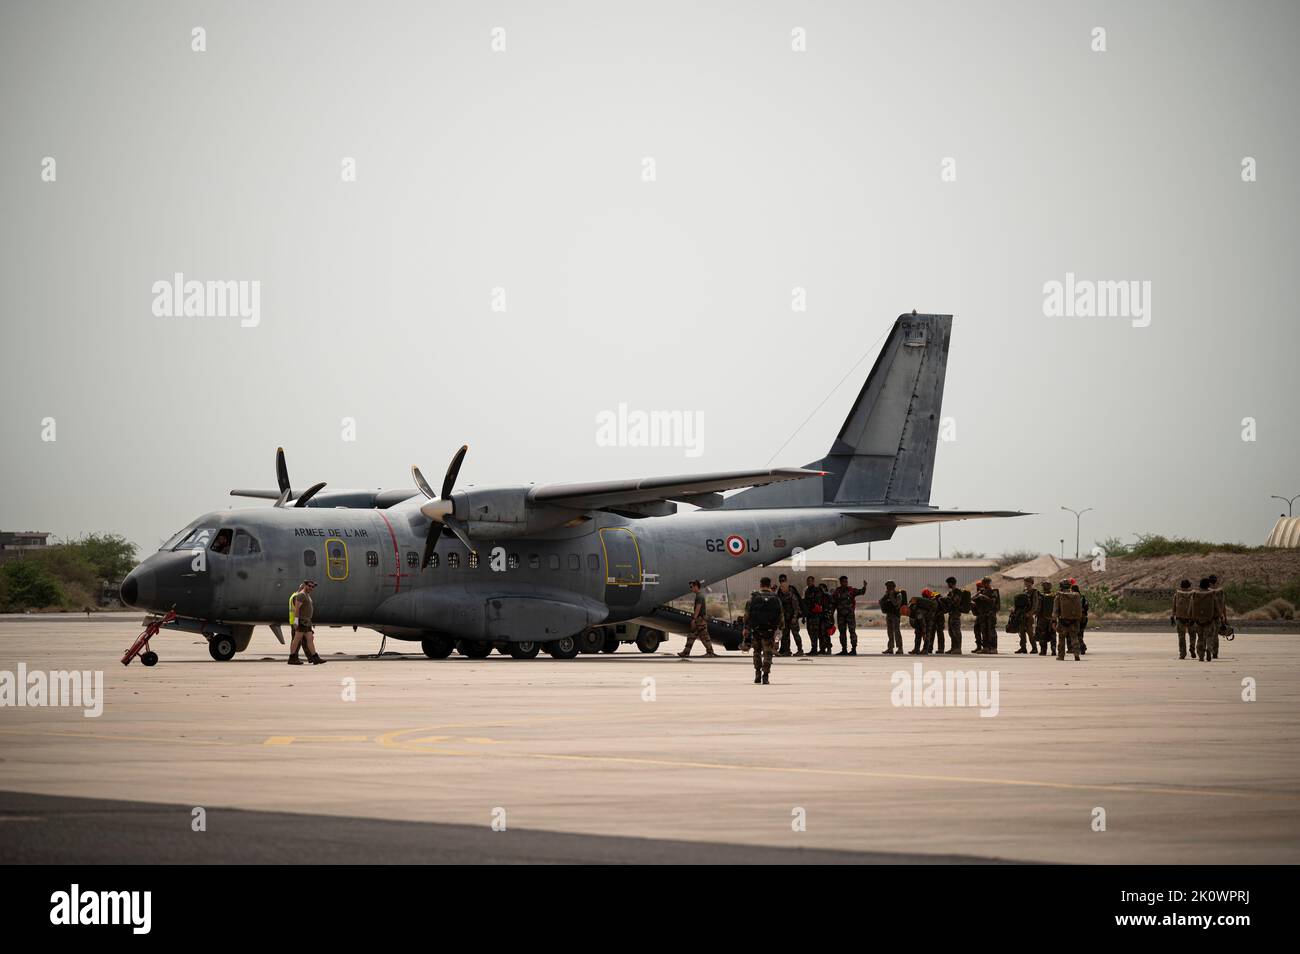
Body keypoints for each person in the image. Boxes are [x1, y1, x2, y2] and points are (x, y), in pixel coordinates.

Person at [743, 577, 784, 684]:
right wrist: (779, 629)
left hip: (756, 630)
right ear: (770, 585)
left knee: (756, 652)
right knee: (768, 653)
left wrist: (746, 628)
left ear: (760, 585)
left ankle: (757, 674)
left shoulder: (754, 597)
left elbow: (747, 615)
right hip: (769, 631)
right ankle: (765, 676)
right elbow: (780, 615)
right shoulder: (776, 598)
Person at [289, 580, 326, 665]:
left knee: (310, 640)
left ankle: (315, 657)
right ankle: (292, 658)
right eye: (309, 586)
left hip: (307, 621)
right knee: (296, 640)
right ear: (305, 585)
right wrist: (296, 621)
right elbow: (297, 609)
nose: (311, 588)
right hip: (302, 621)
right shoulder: (301, 595)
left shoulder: (307, 595)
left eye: (313, 587)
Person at [678, 580, 717, 657]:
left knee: (704, 637)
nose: (691, 588)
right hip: (700, 620)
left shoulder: (699, 596)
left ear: (696, 586)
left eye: (691, 587)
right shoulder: (699, 595)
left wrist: (694, 619)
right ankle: (686, 652)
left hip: (700, 620)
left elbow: (698, 609)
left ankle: (710, 652)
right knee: (691, 636)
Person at [831, 576, 867, 655]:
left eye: (846, 581)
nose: (845, 583)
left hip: (850, 615)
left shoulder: (851, 590)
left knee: (852, 631)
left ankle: (853, 649)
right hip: (841, 615)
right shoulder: (837, 592)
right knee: (842, 633)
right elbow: (833, 603)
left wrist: (864, 587)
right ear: (840, 582)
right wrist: (831, 613)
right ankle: (844, 649)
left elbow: (861, 592)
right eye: (843, 581)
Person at [1053, 581, 1083, 661]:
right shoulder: (1076, 595)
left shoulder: (1059, 596)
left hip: (1063, 621)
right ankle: (1076, 654)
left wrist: (1053, 621)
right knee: (1074, 638)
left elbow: (1055, 610)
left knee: (1061, 639)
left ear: (1061, 587)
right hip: (1074, 621)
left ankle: (1061, 656)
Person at [1191, 578, 1218, 662]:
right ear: (1208, 585)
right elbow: (1216, 607)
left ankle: (1201, 656)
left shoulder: (1195, 594)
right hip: (1209, 620)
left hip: (1198, 620)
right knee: (1209, 636)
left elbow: (1191, 607)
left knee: (1200, 637)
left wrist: (1192, 618)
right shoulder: (1212, 594)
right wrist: (1219, 616)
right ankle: (1209, 649)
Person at [776, 577, 804, 656]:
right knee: (785, 635)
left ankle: (800, 650)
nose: (781, 588)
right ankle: (787, 650)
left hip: (792, 618)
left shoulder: (792, 596)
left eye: (783, 587)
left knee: (796, 634)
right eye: (781, 587)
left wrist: (795, 617)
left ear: (786, 588)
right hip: (785, 619)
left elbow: (796, 608)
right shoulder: (780, 595)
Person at [972, 579, 999, 654]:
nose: (983, 585)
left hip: (990, 614)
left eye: (985, 583)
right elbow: (973, 598)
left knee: (991, 631)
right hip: (983, 614)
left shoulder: (994, 591)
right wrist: (979, 594)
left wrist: (984, 597)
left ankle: (994, 648)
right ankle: (986, 647)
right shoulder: (982, 591)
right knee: (984, 631)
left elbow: (993, 601)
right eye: (983, 583)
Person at [1013, 578, 1039, 654]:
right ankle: (1023, 648)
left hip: (1029, 616)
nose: (1025, 583)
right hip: (1022, 615)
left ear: (1031, 583)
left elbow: (1035, 604)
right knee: (1021, 632)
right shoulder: (1024, 591)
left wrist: (1030, 613)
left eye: (1027, 582)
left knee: (1030, 632)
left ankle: (1034, 648)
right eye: (1025, 582)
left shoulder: (1034, 592)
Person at [880, 580, 905, 655]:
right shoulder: (887, 594)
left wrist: (891, 596)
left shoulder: (898, 594)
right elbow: (881, 601)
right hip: (889, 615)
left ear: (893, 587)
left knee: (897, 632)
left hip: (895, 615)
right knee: (890, 632)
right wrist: (885, 597)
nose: (887, 588)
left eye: (889, 586)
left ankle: (900, 648)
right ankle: (890, 648)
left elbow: (896, 604)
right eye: (887, 586)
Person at [943, 576, 967, 655]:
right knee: (951, 632)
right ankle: (953, 648)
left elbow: (955, 602)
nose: (947, 585)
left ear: (951, 583)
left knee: (956, 632)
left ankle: (958, 649)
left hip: (955, 614)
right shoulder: (951, 592)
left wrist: (946, 599)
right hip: (951, 614)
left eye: (948, 583)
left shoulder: (957, 592)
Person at [1171, 579, 1195, 659]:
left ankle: (1182, 653)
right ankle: (1192, 648)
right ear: (1189, 586)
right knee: (1192, 635)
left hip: (1180, 618)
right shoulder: (1193, 594)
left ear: (1181, 586)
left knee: (1181, 637)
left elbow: (1174, 607)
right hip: (1191, 618)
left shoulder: (1177, 594)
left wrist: (1172, 617)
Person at [803, 576, 825, 656]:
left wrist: (811, 606)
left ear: (813, 581)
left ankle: (816, 649)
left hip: (815, 615)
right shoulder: (807, 591)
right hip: (809, 615)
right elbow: (805, 602)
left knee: (815, 632)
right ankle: (814, 648)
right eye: (807, 581)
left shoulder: (817, 590)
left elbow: (818, 602)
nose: (808, 582)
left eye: (810, 581)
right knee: (810, 631)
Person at [1034, 581, 1056, 655]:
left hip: (1042, 619)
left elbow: (1039, 607)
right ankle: (1053, 649)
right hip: (1053, 618)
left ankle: (1043, 650)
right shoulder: (1054, 596)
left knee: (1042, 634)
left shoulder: (1041, 596)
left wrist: (1036, 613)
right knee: (1053, 634)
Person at [1208, 574, 1226, 659]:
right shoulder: (1220, 591)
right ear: (1216, 581)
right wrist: (1225, 617)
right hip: (1217, 616)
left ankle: (1208, 649)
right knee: (1215, 636)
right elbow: (1223, 605)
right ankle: (1215, 652)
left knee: (1207, 634)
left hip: (1207, 617)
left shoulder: (1205, 591)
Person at [1074, 582, 1089, 654]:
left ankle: (1082, 647)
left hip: (1077, 618)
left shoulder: (1074, 598)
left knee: (1077, 634)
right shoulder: (1083, 597)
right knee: (1081, 633)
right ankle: (1081, 646)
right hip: (1084, 618)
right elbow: (1086, 608)